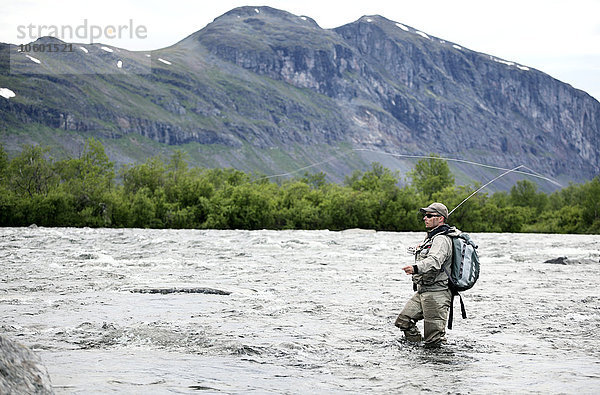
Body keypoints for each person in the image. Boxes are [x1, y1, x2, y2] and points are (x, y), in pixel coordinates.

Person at [394, 202, 460, 347]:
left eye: (429, 215)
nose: (425, 218)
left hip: (437, 294)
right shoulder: (432, 237)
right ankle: (417, 349)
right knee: (403, 321)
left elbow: (435, 261)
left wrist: (415, 268)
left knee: (434, 340)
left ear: (441, 219)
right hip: (423, 291)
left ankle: (436, 365)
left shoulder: (442, 240)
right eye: (425, 215)